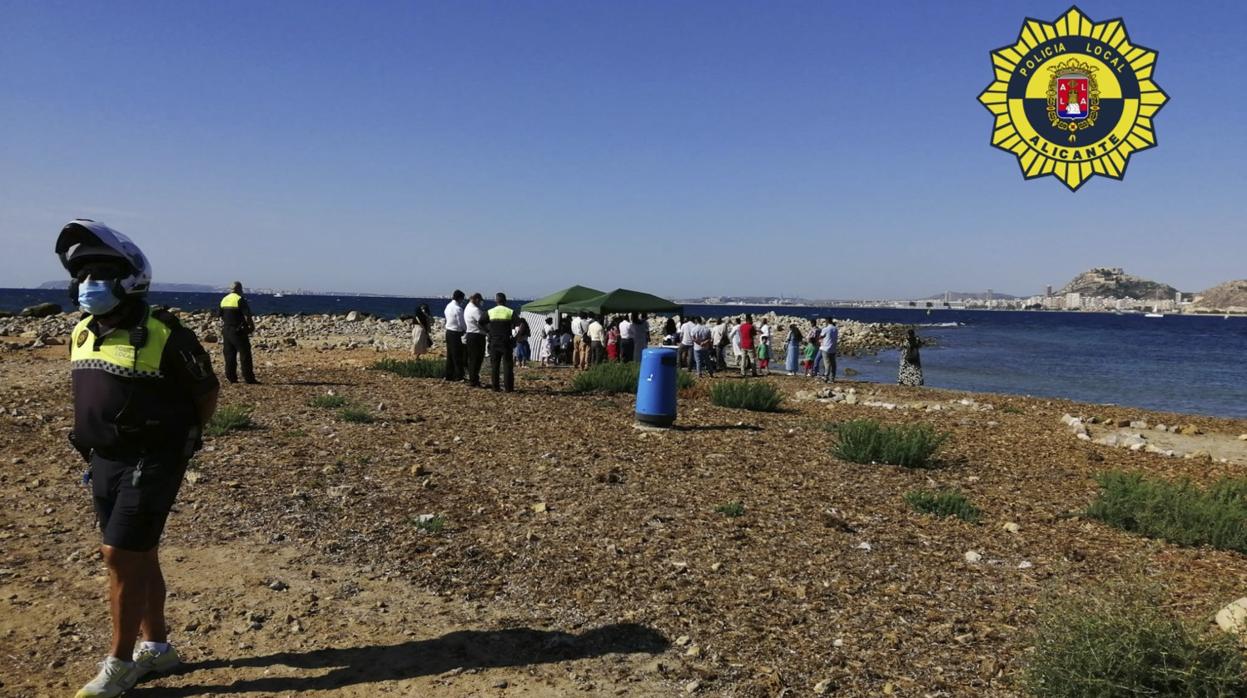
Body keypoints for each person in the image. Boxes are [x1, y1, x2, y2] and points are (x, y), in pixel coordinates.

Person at [56, 220, 220, 698]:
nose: (90, 284)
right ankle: (158, 647)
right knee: (139, 554)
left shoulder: (164, 334)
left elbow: (206, 394)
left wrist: (177, 442)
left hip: (152, 459)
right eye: (83, 274)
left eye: (102, 272)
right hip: (102, 460)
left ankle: (120, 662)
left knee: (118, 555)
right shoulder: (82, 332)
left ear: (130, 278)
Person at [217, 281, 258, 384]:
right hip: (238, 330)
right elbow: (247, 315)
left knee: (229, 354)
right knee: (245, 354)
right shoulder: (240, 299)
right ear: (240, 289)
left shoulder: (224, 299)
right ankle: (248, 378)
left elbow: (219, 314)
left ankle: (231, 377)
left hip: (226, 330)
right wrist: (251, 327)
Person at [485, 293, 516, 391]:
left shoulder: (490, 311)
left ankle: (495, 387)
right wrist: (516, 337)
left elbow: (480, 322)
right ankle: (508, 388)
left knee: (495, 366)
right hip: (506, 340)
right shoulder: (509, 311)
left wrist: (488, 332)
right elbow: (521, 323)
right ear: (505, 301)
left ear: (496, 301)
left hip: (494, 340)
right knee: (507, 365)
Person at [463, 292, 487, 387]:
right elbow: (482, 322)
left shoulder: (467, 308)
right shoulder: (475, 310)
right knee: (477, 358)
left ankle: (473, 378)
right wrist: (488, 331)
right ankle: (474, 380)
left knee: (472, 358)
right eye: (480, 301)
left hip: (470, 334)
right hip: (477, 335)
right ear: (476, 299)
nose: (480, 303)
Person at [442, 290, 467, 381]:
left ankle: (449, 374)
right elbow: (461, 322)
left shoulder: (448, 306)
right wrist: (465, 329)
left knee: (450, 354)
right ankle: (459, 375)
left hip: (448, 331)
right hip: (456, 332)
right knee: (457, 355)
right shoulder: (458, 309)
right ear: (460, 298)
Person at [819, 318, 839, 383]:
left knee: (827, 364)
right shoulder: (835, 329)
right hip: (833, 348)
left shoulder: (825, 329)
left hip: (826, 348)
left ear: (827, 322)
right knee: (833, 364)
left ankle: (826, 377)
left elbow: (821, 336)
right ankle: (832, 378)